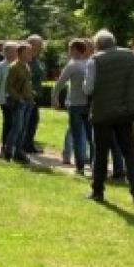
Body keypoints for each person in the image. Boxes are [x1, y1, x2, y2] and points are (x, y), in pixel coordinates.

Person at [82, 29, 134, 207]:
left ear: (97, 44)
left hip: (103, 112)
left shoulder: (95, 60)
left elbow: (88, 89)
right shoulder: (132, 56)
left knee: (101, 153)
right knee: (129, 152)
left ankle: (98, 191)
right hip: (126, 111)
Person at [52, 38, 92, 175]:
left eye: (70, 49)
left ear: (74, 50)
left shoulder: (72, 65)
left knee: (76, 135)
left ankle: (80, 165)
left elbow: (60, 83)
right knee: (90, 136)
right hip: (89, 104)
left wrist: (54, 98)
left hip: (75, 104)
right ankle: (94, 163)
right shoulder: (91, 64)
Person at [3, 43, 35, 164]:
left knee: (23, 129)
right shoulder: (14, 67)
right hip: (19, 103)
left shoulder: (26, 66)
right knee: (17, 127)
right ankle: (8, 152)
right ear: (20, 53)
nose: (30, 54)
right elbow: (9, 87)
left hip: (28, 102)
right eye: (28, 52)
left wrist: (31, 97)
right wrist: (18, 98)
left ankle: (19, 152)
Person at [0, 42, 18, 149]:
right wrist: (2, 93)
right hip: (5, 99)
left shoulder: (19, 64)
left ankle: (14, 144)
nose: (16, 52)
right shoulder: (1, 66)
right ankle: (5, 144)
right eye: (13, 50)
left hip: (18, 99)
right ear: (6, 52)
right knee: (8, 122)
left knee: (16, 122)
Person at [22, 34, 45, 153]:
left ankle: (29, 144)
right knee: (28, 120)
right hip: (29, 95)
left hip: (37, 94)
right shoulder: (27, 59)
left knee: (33, 120)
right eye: (39, 44)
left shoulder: (36, 59)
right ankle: (24, 144)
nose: (41, 47)